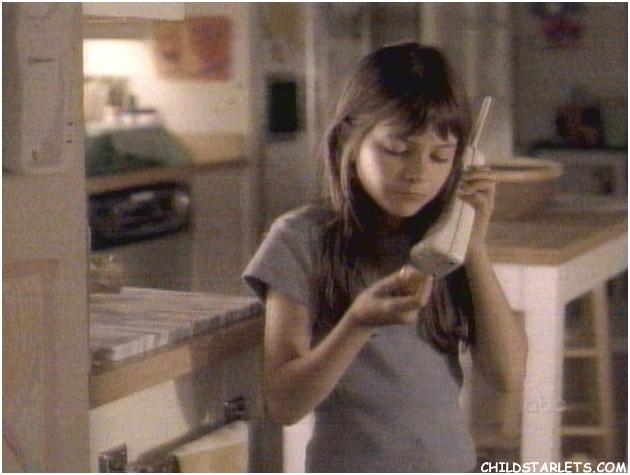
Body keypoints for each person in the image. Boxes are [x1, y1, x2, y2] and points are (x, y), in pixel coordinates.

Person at [243, 42, 528, 472]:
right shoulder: (299, 239)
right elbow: (283, 404)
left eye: (440, 156)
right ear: (349, 140)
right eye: (396, 150)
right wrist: (357, 324)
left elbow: (508, 376)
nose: (418, 173)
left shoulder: (443, 243)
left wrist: (473, 247)